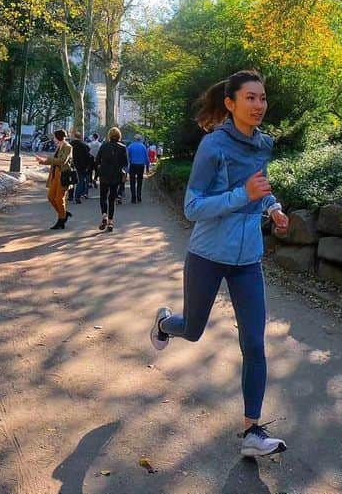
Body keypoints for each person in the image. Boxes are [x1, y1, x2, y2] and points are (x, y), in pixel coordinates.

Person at [148, 70, 291, 457]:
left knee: (254, 344)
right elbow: (193, 207)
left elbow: (258, 188)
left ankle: (252, 432)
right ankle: (163, 323)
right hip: (208, 255)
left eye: (262, 98)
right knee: (192, 330)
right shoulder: (213, 146)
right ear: (230, 104)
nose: (259, 105)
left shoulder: (262, 145)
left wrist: (272, 207)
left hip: (248, 260)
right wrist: (240, 195)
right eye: (250, 98)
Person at [93, 127, 129, 232]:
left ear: (109, 135)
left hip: (104, 174)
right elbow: (125, 163)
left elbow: (97, 160)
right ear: (119, 136)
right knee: (112, 199)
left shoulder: (104, 146)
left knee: (103, 196)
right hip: (116, 175)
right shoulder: (122, 147)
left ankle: (104, 215)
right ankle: (110, 221)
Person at [36, 129, 73, 229]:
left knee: (59, 198)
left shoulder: (68, 147)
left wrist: (46, 160)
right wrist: (43, 161)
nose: (53, 139)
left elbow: (62, 161)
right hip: (55, 174)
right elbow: (54, 161)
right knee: (51, 197)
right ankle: (63, 213)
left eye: (54, 137)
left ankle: (61, 220)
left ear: (58, 137)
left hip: (63, 175)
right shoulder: (59, 146)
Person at [67, 131, 92, 203]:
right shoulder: (84, 145)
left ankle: (70, 196)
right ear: (80, 137)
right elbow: (88, 157)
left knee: (71, 181)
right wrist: (87, 166)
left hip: (71, 165)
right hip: (81, 166)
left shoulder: (69, 145)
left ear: (73, 137)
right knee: (80, 181)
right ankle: (77, 197)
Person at [126, 134, 150, 203]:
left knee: (132, 182)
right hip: (141, 166)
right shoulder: (143, 146)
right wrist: (147, 165)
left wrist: (128, 165)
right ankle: (139, 196)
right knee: (140, 181)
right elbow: (146, 157)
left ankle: (133, 198)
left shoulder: (131, 146)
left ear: (134, 139)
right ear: (140, 139)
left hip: (133, 165)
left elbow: (127, 156)